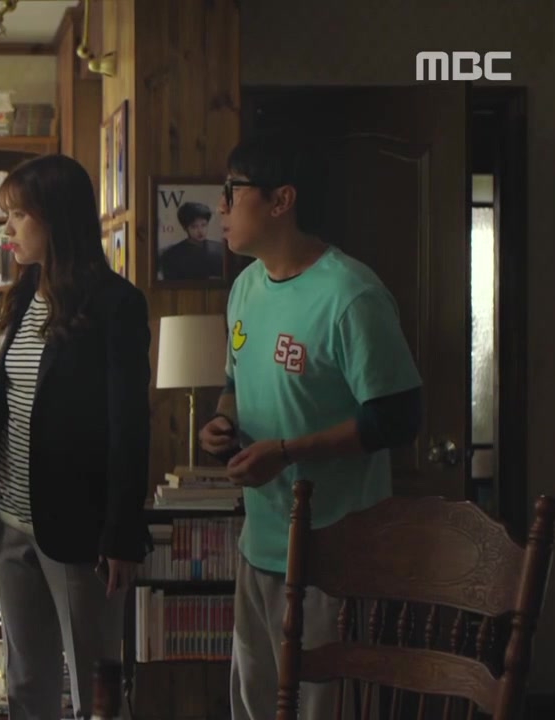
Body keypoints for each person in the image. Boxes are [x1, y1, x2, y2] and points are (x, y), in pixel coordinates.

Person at [198, 132, 422, 720]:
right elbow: (232, 381)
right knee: (255, 707)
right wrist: (221, 422)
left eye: (232, 190)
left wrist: (288, 450)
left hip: (336, 558)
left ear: (281, 200)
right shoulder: (245, 287)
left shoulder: (351, 293)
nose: (220, 205)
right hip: (260, 547)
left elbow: (397, 417)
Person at [0, 154, 151, 719]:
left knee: (95, 692)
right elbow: (31, 405)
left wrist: (121, 535)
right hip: (10, 522)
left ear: (57, 218)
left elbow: (129, 426)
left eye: (18, 215)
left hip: (81, 531)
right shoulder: (25, 295)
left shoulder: (116, 304)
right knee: (25, 685)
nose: (6, 229)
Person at [158, 201, 226, 280]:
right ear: (185, 228)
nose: (200, 231)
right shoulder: (172, 254)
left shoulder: (220, 249)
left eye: (204, 225)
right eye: (194, 226)